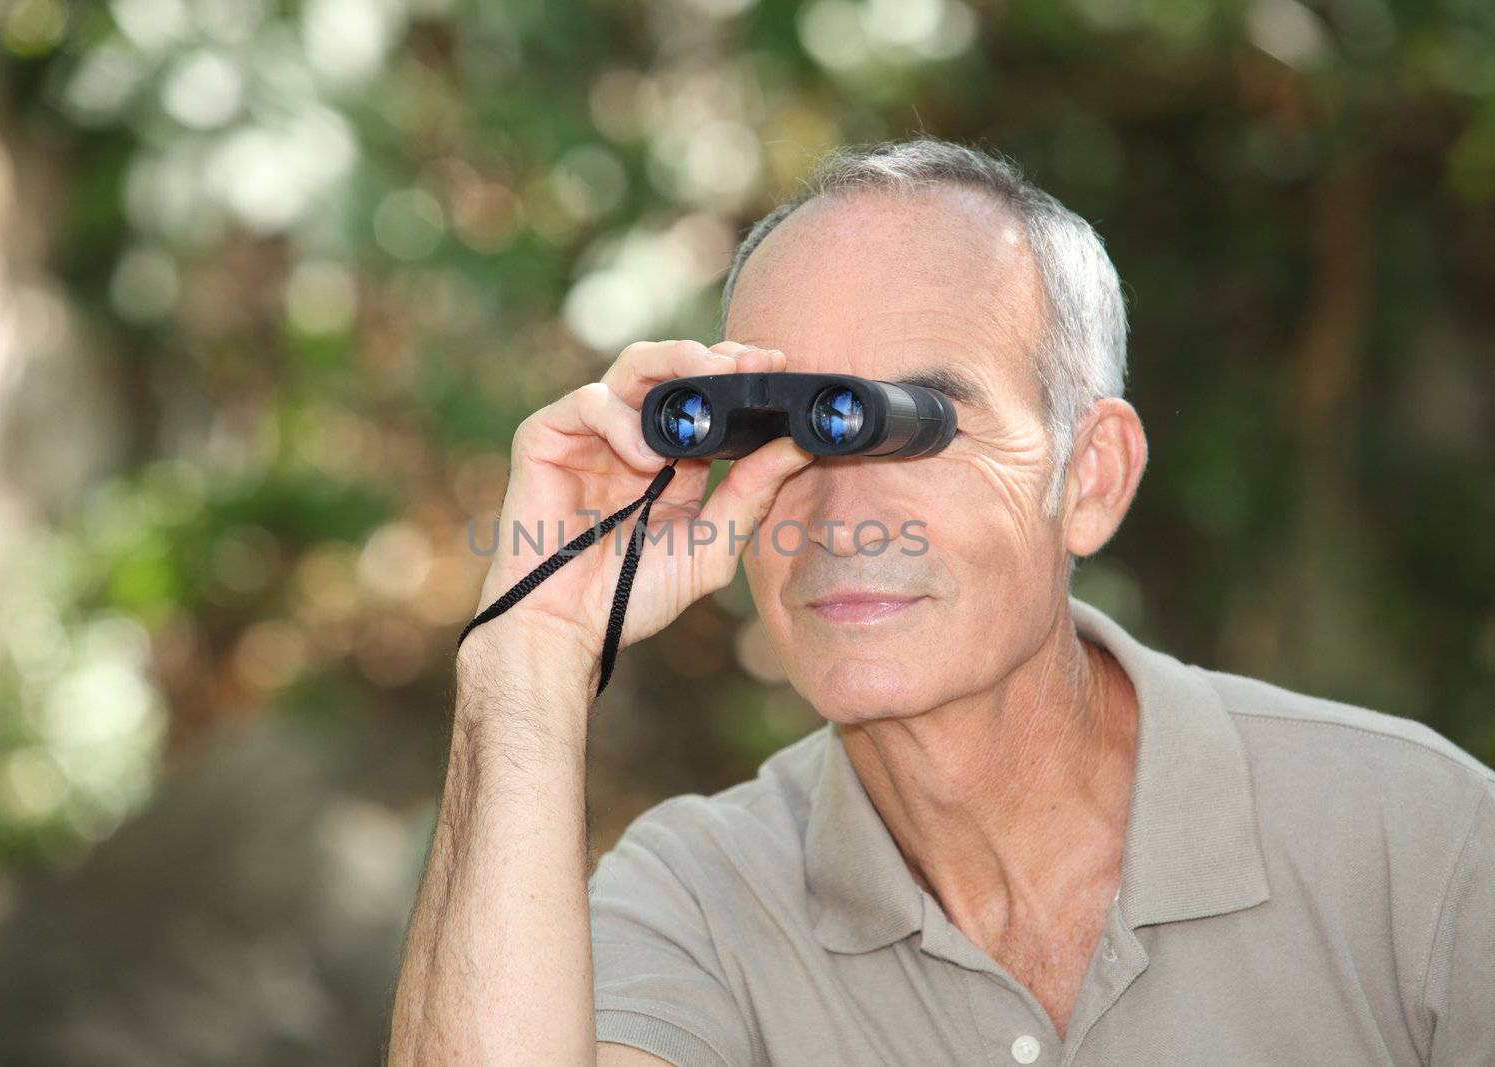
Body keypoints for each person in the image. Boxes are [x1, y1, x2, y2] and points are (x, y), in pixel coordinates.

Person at [386, 137, 1495, 1065]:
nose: (835, 510)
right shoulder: (704, 900)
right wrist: (527, 656)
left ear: (1090, 476)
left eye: (910, 422)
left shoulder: (1416, 845)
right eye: (778, 431)